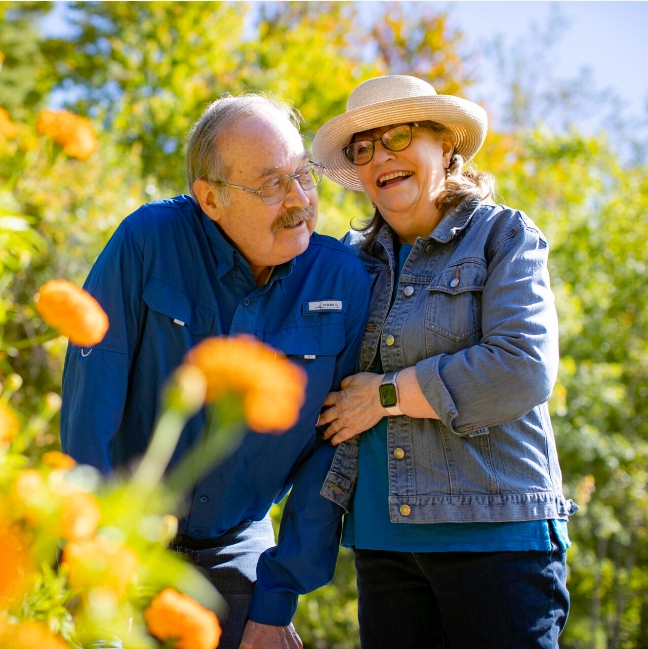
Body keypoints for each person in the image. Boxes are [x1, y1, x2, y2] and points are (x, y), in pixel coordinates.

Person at [60, 94, 370, 649]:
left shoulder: (341, 281)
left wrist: (277, 600)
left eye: (304, 175)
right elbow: (91, 405)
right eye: (272, 184)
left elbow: (333, 448)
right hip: (123, 534)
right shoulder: (148, 241)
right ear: (211, 198)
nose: (300, 200)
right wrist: (95, 557)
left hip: (237, 543)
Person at [312, 75, 578, 648]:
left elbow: (523, 366)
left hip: (495, 539)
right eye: (364, 148)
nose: (381, 157)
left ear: (446, 145)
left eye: (399, 136)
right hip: (383, 545)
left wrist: (386, 395)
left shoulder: (502, 236)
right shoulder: (349, 265)